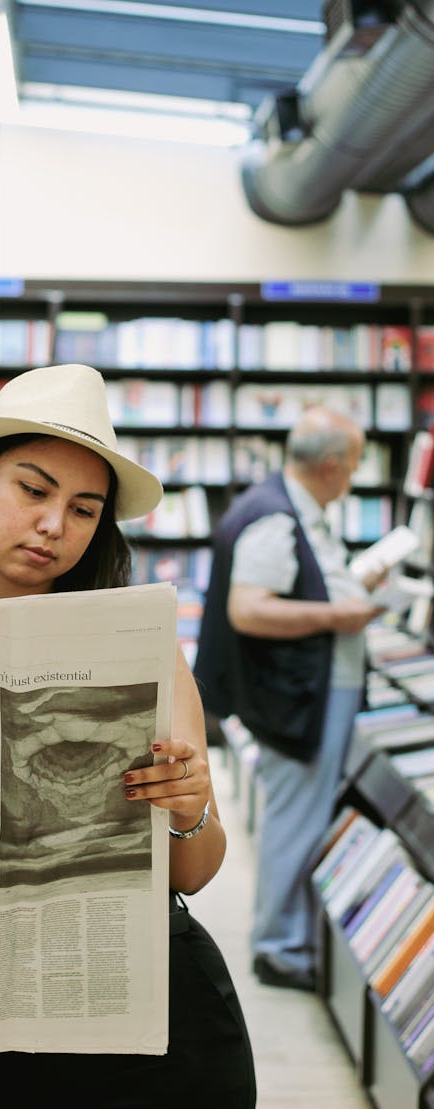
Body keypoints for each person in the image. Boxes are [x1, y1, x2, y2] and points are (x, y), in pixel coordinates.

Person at [0, 363, 256, 1108]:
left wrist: (189, 805)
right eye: (33, 490)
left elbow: (192, 872)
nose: (55, 525)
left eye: (84, 509)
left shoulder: (137, 645)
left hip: (145, 1032)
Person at [193, 406, 386, 992]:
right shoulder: (274, 518)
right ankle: (278, 947)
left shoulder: (287, 505)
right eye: (352, 465)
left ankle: (289, 937)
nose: (353, 476)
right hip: (297, 698)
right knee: (295, 820)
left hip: (307, 691)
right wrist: (342, 613)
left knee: (299, 815)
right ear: (330, 465)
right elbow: (249, 609)